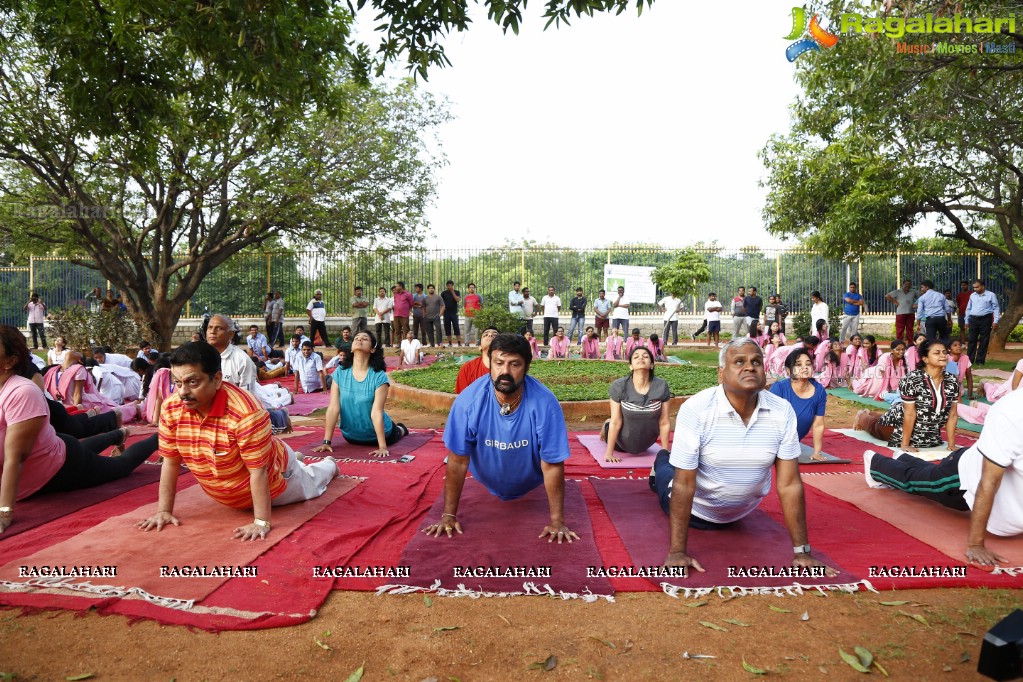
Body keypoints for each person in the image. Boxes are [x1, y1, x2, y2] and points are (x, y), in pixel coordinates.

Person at [654, 338, 836, 575]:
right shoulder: (696, 409)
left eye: (756, 362)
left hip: (742, 513)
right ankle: (659, 462)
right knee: (667, 471)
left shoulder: (782, 411)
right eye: (739, 362)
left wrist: (802, 552)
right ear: (721, 374)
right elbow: (684, 483)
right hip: (696, 512)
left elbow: (790, 484)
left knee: (675, 464)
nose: (750, 367)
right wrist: (677, 552)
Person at [137, 342, 337, 540]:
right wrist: (164, 510)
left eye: (192, 382)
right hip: (254, 459)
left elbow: (258, 471)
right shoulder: (172, 408)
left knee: (312, 479)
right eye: (178, 383)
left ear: (216, 379)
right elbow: (171, 461)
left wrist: (261, 522)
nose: (182, 392)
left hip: (277, 478)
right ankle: (295, 458)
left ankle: (328, 466)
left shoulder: (246, 413)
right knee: (269, 456)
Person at [422, 334, 577, 543]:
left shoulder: (545, 403)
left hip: (531, 482)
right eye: (499, 363)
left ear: (527, 367)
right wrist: (448, 516)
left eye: (514, 364)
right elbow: (457, 460)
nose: (505, 372)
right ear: (489, 364)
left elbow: (552, 464)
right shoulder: (468, 401)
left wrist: (557, 521)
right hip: (484, 479)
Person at [0, 327, 157, 534]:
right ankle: (117, 434)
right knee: (84, 446)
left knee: (121, 465)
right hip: (56, 445)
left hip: (61, 466)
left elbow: (16, 457)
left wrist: (4, 512)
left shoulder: (21, 392)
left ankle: (161, 437)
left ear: (10, 362)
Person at [863, 387, 1023, 567]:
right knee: (922, 482)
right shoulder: (1013, 412)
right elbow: (988, 482)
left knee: (929, 475)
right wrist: (975, 544)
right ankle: (875, 465)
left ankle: (903, 458)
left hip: (978, 466)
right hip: (964, 478)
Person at [312, 330, 408, 457]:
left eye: (365, 339)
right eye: (356, 338)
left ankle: (402, 429)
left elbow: (376, 412)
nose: (359, 340)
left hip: (379, 436)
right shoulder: (340, 372)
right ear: (351, 348)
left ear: (372, 349)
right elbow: (333, 408)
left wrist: (382, 447)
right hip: (351, 436)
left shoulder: (379, 377)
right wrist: (326, 442)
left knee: (399, 431)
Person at [855, 338, 959, 451]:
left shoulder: (952, 380)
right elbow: (909, 413)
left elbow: (952, 414)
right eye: (937, 353)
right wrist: (905, 444)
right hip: (896, 426)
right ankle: (861, 416)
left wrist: (951, 445)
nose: (943, 355)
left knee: (880, 417)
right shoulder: (913, 379)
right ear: (925, 359)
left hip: (929, 437)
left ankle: (871, 413)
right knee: (873, 425)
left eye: (944, 352)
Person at [207, 314, 292, 431]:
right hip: (212, 407)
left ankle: (280, 416)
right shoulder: (201, 356)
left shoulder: (241, 360)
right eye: (210, 327)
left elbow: (247, 397)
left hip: (238, 408)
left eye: (219, 328)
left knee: (257, 431)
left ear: (231, 334)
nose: (212, 332)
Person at [601, 345, 671, 463]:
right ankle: (605, 425)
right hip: (621, 443)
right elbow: (616, 421)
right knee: (611, 422)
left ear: (652, 365)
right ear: (630, 366)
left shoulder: (661, 386)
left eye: (645, 356)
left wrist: (665, 453)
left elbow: (664, 422)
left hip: (646, 444)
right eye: (636, 357)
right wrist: (609, 453)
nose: (641, 358)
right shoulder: (619, 386)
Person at [769, 348, 828, 461]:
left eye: (808, 364)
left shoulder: (819, 391)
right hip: (771, 442)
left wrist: (817, 452)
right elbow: (767, 421)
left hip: (791, 445)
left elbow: (818, 424)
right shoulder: (779, 389)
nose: (805, 367)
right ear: (789, 370)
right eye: (798, 364)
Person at [44, 352, 138, 422]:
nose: (73, 350)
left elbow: (77, 393)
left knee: (112, 413)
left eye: (77, 352)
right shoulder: (52, 370)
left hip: (83, 404)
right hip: (63, 405)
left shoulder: (79, 369)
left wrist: (77, 414)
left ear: (79, 361)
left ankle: (135, 408)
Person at [964, 278, 1000, 365]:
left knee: (984, 340)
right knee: (972, 339)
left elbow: (996, 308)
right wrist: (966, 320)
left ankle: (980, 361)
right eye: (974, 287)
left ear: (983, 286)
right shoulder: (972, 295)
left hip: (985, 319)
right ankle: (969, 361)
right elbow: (968, 308)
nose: (975, 289)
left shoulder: (991, 295)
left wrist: (995, 321)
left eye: (977, 287)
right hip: (973, 319)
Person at [454, 327, 498, 393]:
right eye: (486, 335)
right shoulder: (467, 369)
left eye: (495, 335)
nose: (490, 335)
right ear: (480, 347)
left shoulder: (508, 369)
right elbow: (462, 399)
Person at [885, 278, 917, 344]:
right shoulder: (898, 291)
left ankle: (910, 343)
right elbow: (887, 296)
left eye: (909, 285)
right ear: (903, 285)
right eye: (906, 284)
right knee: (899, 329)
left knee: (910, 329)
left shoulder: (913, 292)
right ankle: (899, 343)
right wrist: (894, 302)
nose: (907, 286)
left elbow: (921, 298)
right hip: (900, 313)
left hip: (910, 313)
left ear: (910, 285)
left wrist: (916, 303)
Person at [392, 281, 414, 346]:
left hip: (404, 315)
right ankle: (399, 343)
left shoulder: (408, 294)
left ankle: (406, 343)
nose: (395, 287)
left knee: (406, 329)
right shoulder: (395, 294)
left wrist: (405, 309)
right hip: (396, 314)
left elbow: (411, 304)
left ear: (401, 286)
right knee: (397, 329)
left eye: (397, 286)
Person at [441, 280, 462, 347]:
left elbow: (457, 299)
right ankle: (450, 343)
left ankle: (459, 343)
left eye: (451, 285)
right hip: (446, 313)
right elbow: (441, 304)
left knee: (456, 327)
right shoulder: (443, 293)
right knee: (447, 328)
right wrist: (441, 312)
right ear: (446, 286)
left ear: (453, 286)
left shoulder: (457, 292)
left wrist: (452, 291)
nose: (449, 287)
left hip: (454, 313)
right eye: (448, 285)